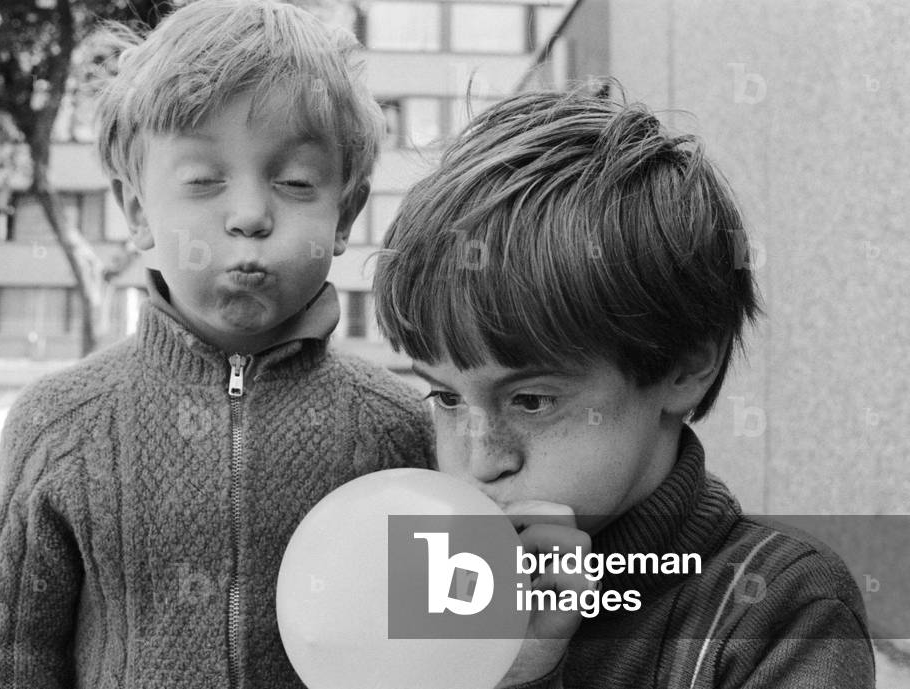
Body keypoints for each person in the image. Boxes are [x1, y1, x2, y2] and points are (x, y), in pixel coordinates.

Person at [0, 1, 433, 687]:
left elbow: (437, 656)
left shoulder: (399, 430)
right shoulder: (55, 427)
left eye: (295, 182)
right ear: (137, 211)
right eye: (204, 180)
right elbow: (10, 663)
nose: (248, 214)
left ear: (345, 215)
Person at [373, 85, 873, 688]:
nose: (479, 461)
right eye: (448, 399)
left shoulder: (779, 609)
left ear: (685, 368)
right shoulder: (445, 588)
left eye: (531, 400)